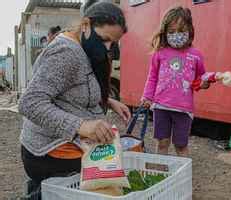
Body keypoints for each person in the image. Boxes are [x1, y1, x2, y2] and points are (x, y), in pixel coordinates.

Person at [18, 1, 129, 199]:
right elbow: (30, 103)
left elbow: (74, 89)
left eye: (113, 43)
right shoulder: (66, 52)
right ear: (85, 25)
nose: (108, 47)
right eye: (104, 39)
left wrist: (110, 101)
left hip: (68, 143)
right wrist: (81, 125)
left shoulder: (86, 48)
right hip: (48, 151)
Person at [141, 7, 210, 157]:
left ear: (190, 30)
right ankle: (161, 175)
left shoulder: (196, 55)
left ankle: (183, 177)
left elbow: (199, 80)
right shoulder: (160, 53)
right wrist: (147, 97)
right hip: (161, 106)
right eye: (171, 32)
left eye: (181, 30)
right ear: (165, 33)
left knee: (181, 146)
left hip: (184, 110)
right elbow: (152, 77)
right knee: (162, 143)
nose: (176, 35)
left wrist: (204, 83)